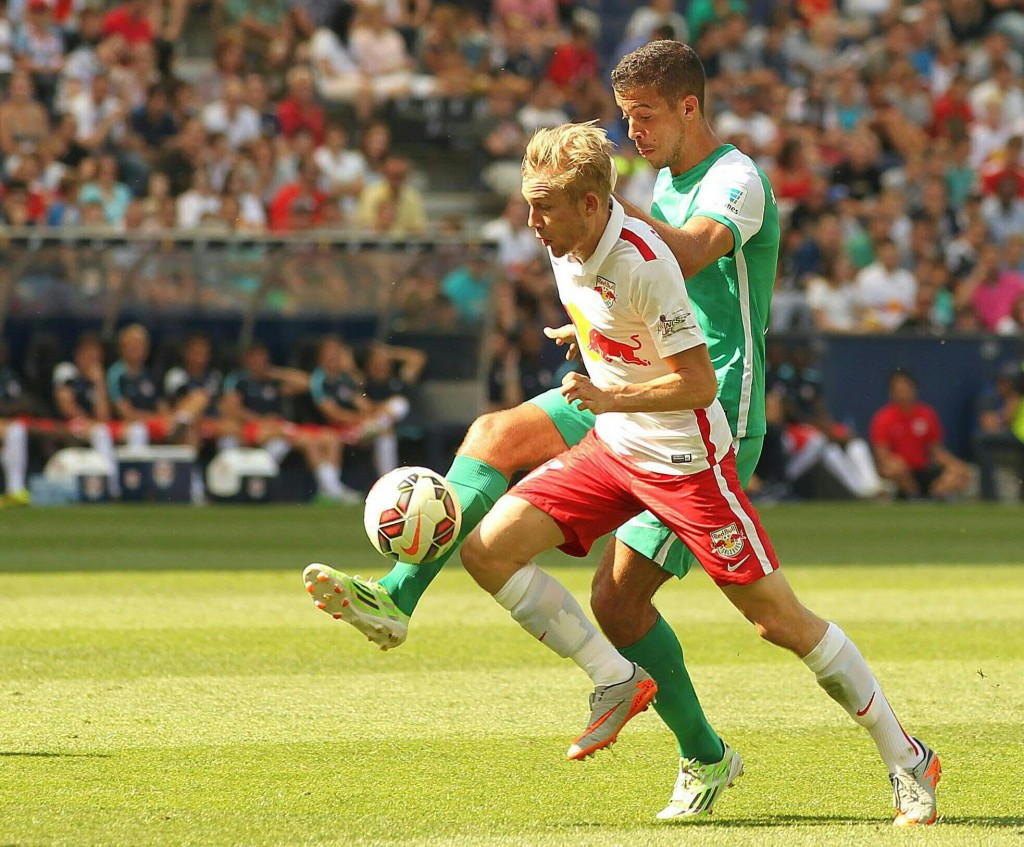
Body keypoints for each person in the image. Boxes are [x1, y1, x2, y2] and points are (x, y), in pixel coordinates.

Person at [305, 42, 940, 826]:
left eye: (644, 116)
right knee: (497, 436)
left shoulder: (733, 181)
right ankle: (400, 595)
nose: (632, 132)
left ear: (688, 108)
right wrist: (595, 318)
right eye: (624, 116)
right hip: (625, 392)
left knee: (668, 605)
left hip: (710, 410)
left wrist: (597, 207)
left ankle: (891, 755)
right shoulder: (647, 190)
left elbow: (684, 254)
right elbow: (617, 272)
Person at [870, 370, 972, 500]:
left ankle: (934, 496)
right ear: (891, 392)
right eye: (898, 389)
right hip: (901, 473)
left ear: (914, 389)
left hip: (924, 469)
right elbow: (882, 454)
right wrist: (897, 464)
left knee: (960, 472)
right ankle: (912, 496)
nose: (902, 393)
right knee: (895, 468)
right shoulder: (883, 418)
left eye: (905, 388)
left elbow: (936, 450)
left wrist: (954, 464)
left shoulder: (927, 415)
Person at [0, 339, 30, 507]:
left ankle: (15, 491)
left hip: (6, 423)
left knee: (17, 430)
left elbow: (24, 402)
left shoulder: (8, 376)